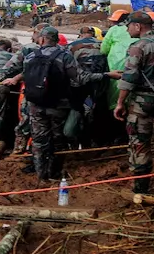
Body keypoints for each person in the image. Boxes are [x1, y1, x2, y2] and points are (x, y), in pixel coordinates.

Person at [16, 27, 111, 182]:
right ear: (57, 40)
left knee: (39, 140)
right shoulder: (64, 56)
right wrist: (105, 75)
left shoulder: (30, 56)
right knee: (58, 140)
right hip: (58, 105)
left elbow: (26, 77)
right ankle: (54, 174)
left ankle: (41, 176)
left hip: (35, 104)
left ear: (41, 39)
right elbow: (80, 78)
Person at [113, 12, 154, 194]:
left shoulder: (138, 47)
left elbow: (129, 79)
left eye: (129, 25)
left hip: (142, 103)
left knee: (139, 144)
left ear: (138, 26)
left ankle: (140, 189)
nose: (127, 28)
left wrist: (120, 103)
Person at [0, 23, 49, 154]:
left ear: (38, 35)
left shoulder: (29, 49)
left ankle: (19, 151)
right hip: (51, 93)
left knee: (25, 120)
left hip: (30, 91)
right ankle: (38, 152)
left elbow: (10, 66)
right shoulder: (60, 50)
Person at [68, 27, 115, 147]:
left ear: (80, 34)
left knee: (79, 113)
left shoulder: (71, 46)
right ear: (93, 34)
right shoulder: (102, 45)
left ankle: (80, 143)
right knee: (99, 113)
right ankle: (99, 142)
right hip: (100, 84)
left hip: (79, 86)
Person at [102, 10, 136, 115]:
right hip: (133, 65)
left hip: (116, 66)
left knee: (115, 89)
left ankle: (115, 110)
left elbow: (103, 50)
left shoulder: (114, 30)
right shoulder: (136, 31)